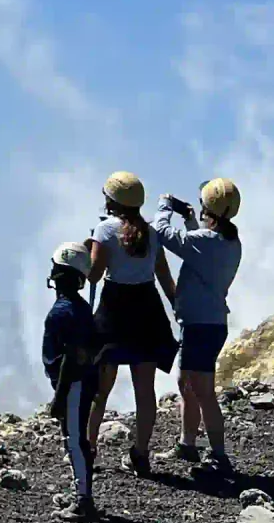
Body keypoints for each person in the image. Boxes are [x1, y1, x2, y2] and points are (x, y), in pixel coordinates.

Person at [81, 172, 178, 478]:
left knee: (100, 389)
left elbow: (94, 275)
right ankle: (140, 453)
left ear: (112, 201)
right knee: (144, 390)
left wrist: (87, 249)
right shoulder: (152, 233)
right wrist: (177, 307)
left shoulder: (105, 229)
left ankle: (89, 450)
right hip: (147, 309)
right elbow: (163, 276)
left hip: (114, 310)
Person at [155, 178, 243, 476]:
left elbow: (163, 234)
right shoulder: (229, 242)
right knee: (187, 385)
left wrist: (164, 207)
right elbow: (200, 245)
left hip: (200, 326)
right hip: (209, 323)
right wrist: (192, 219)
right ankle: (187, 443)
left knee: (202, 391)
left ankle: (218, 455)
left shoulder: (206, 242)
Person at [41, 243, 103, 519]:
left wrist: (59, 397)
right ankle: (82, 492)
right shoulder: (80, 308)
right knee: (76, 439)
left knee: (75, 441)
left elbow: (70, 359)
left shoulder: (60, 314)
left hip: (73, 384)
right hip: (83, 382)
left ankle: (84, 500)